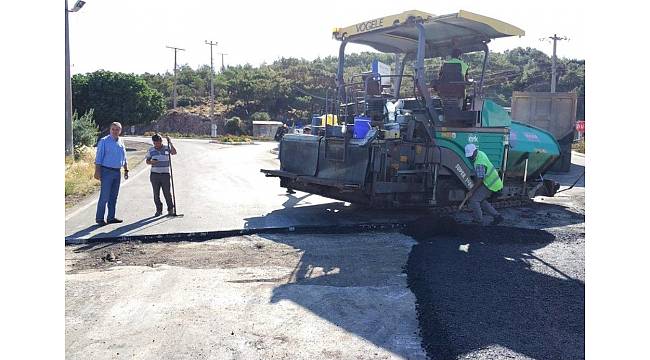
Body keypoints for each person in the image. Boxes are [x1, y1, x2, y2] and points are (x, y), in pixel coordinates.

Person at [94, 122, 129, 225]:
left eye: (117, 129)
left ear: (120, 130)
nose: (115, 131)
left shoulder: (121, 141)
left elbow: (124, 156)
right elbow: (99, 157)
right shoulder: (104, 141)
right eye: (113, 129)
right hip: (106, 171)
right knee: (104, 196)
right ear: (110, 130)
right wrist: (97, 171)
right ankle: (99, 218)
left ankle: (111, 217)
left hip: (117, 172)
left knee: (113, 196)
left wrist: (126, 170)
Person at [464, 143, 504, 225]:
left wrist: (471, 191)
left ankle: (478, 221)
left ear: (475, 151)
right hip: (492, 182)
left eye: (471, 155)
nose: (470, 157)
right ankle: (497, 217)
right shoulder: (480, 153)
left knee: (473, 200)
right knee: (481, 201)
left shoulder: (479, 162)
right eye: (469, 155)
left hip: (491, 184)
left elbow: (480, 179)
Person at [145, 134, 177, 216]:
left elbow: (174, 152)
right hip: (154, 175)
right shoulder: (151, 150)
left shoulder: (167, 147)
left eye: (158, 142)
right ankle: (159, 210)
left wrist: (170, 142)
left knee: (167, 193)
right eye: (155, 143)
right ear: (153, 142)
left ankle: (171, 209)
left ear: (161, 141)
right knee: (156, 194)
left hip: (165, 174)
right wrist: (152, 162)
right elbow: (147, 161)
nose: (157, 144)